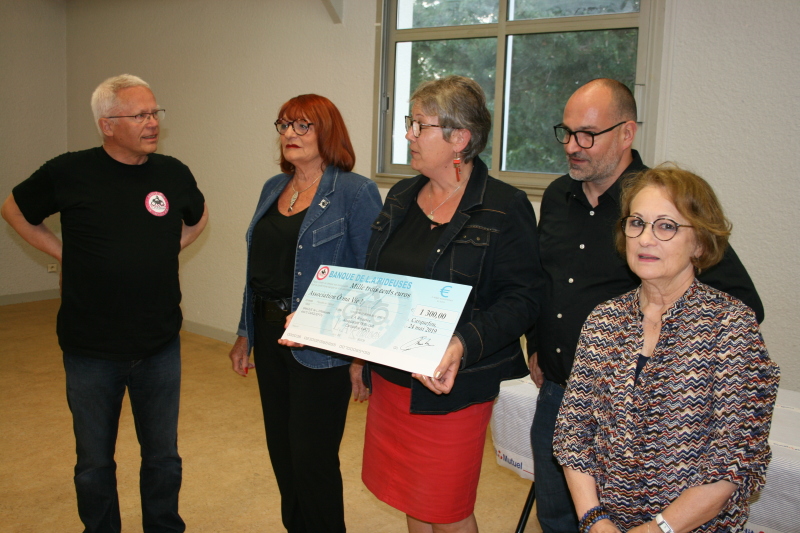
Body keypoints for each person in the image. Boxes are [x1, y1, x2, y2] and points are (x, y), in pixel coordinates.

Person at [526, 78, 763, 533]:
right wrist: (538, 343)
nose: (572, 146)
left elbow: (743, 305)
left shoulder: (663, 201)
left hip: (660, 411)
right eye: (567, 133)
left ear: (626, 133)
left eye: (587, 135)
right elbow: (542, 280)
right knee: (556, 518)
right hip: (561, 393)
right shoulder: (557, 198)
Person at [1, 74, 208, 533]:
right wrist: (65, 254)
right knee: (94, 462)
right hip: (91, 349)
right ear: (107, 125)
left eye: (155, 112)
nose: (152, 123)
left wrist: (163, 249)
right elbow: (14, 209)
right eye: (140, 115)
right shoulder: (68, 171)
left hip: (159, 344)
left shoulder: (172, 172)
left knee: (163, 457)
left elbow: (198, 215)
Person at [359, 76, 545, 533]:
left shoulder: (504, 206)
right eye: (410, 123)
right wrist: (351, 341)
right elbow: (376, 280)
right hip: (393, 379)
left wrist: (461, 343)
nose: (408, 135)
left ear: (459, 138)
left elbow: (523, 299)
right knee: (411, 496)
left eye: (419, 125)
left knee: (446, 507)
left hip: (453, 385)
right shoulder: (402, 195)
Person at [553, 165, 779, 532]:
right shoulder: (604, 319)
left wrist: (655, 530)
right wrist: (594, 520)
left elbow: (732, 463)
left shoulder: (730, 326)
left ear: (700, 243)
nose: (645, 239)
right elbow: (573, 432)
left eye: (666, 226)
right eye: (637, 223)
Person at [227, 94, 382, 533]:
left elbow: (371, 278)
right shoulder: (272, 187)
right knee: (282, 452)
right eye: (284, 125)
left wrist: (361, 357)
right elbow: (258, 269)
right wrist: (245, 333)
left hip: (322, 345)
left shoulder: (354, 192)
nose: (289, 134)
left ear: (326, 132)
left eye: (302, 126)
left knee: (313, 459)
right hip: (268, 335)